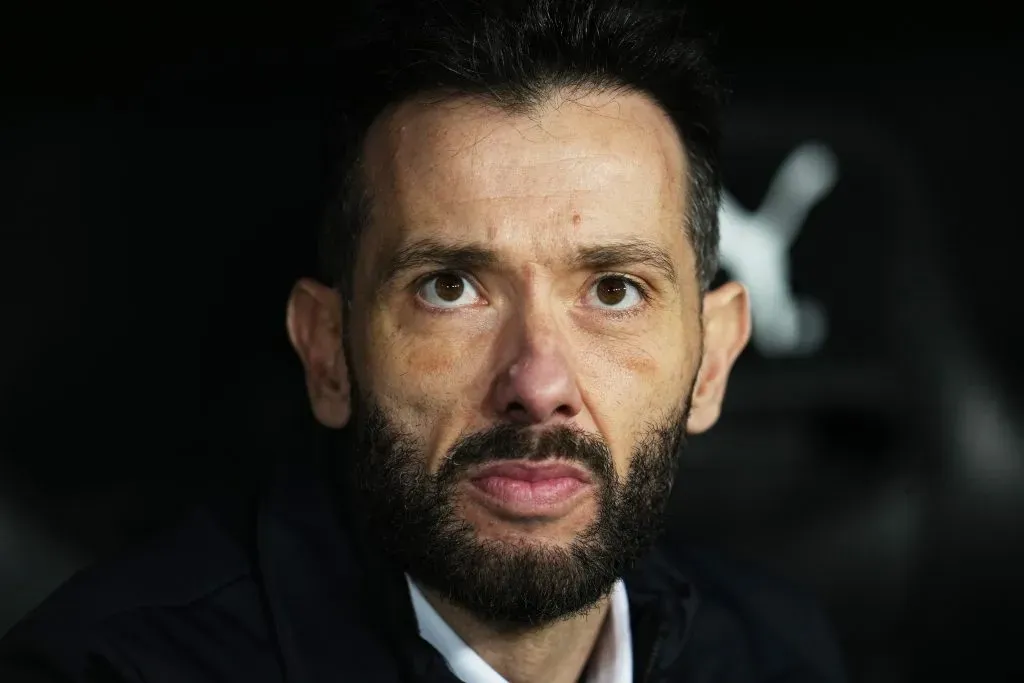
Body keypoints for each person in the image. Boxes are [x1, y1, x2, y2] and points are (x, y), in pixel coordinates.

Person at [0, 0, 847, 680]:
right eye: (451, 287)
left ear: (713, 361)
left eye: (613, 290)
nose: (536, 380)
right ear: (328, 353)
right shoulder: (102, 667)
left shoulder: (776, 649)